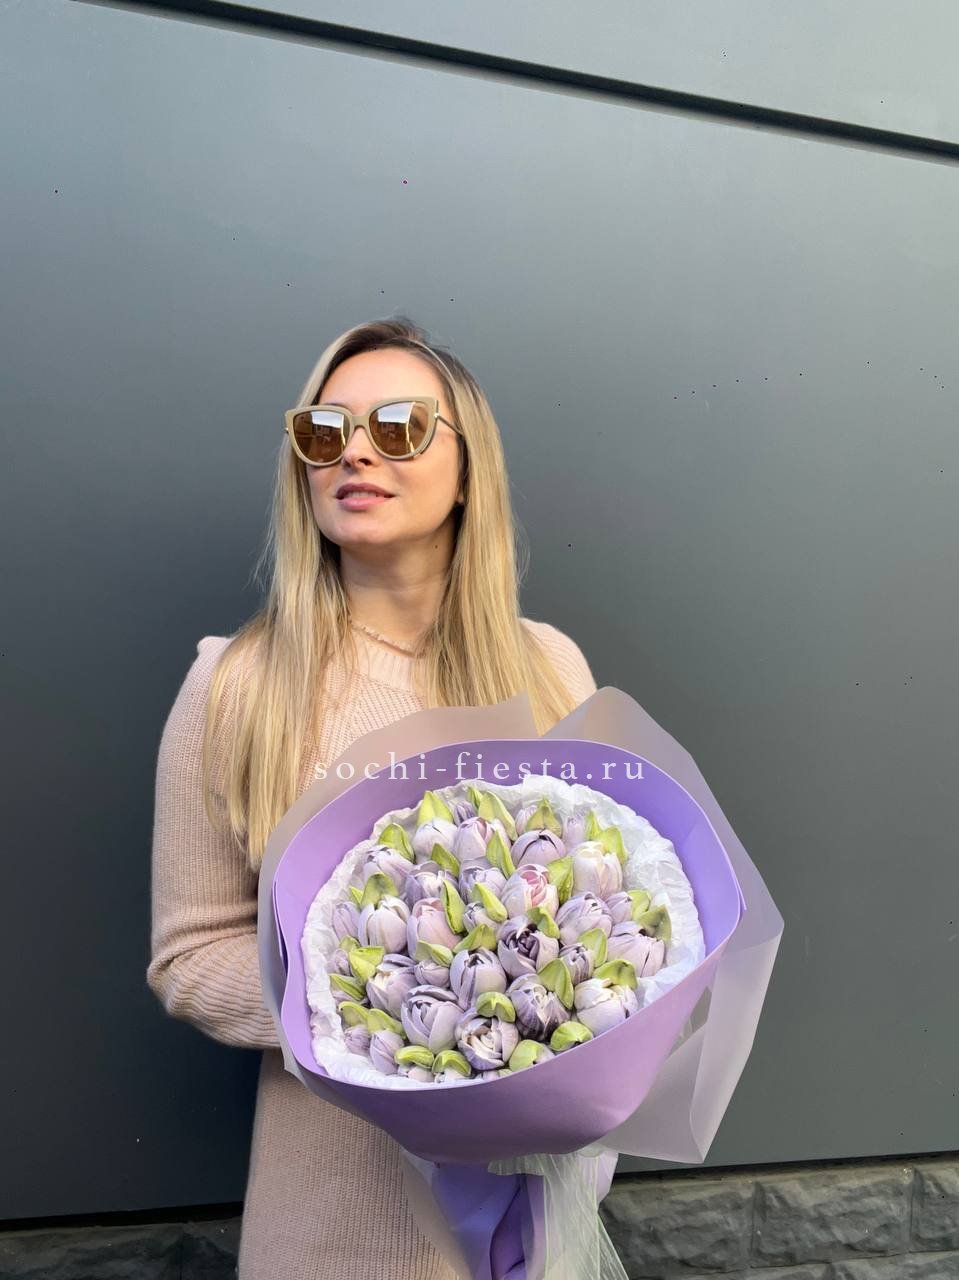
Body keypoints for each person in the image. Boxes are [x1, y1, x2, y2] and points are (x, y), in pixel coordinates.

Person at [147, 316, 598, 1279]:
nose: (353, 452)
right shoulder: (237, 687)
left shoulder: (550, 667)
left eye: (398, 426)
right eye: (323, 431)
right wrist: (393, 1012)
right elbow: (189, 958)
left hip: (531, 1221)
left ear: (468, 469)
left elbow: (606, 921)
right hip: (332, 1231)